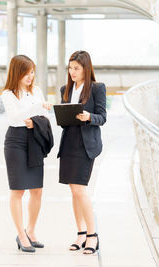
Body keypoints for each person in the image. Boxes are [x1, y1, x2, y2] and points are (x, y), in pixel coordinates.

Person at [1, 55, 52, 253]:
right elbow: (14, 118)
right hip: (15, 141)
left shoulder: (36, 91)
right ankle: (21, 235)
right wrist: (35, 109)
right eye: (26, 72)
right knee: (17, 191)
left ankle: (30, 231)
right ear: (17, 72)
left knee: (37, 190)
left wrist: (34, 118)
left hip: (34, 140)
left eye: (32, 72)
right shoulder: (8, 94)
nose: (30, 76)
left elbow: (45, 117)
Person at [57, 50, 107, 254]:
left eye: (76, 68)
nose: (72, 72)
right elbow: (64, 120)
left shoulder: (97, 88)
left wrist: (89, 117)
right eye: (70, 68)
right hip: (69, 142)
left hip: (86, 145)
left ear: (86, 68)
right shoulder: (65, 89)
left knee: (80, 190)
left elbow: (102, 117)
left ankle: (92, 235)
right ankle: (80, 233)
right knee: (73, 191)